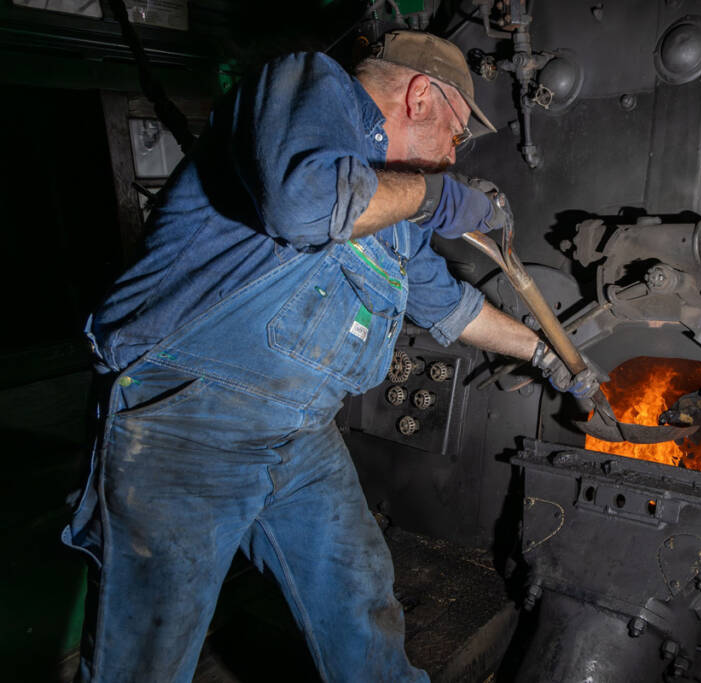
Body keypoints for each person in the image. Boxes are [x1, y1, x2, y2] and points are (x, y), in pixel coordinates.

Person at [61, 30, 601, 682]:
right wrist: (437, 198)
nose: (453, 157)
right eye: (456, 136)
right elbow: (303, 199)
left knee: (360, 598)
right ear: (421, 96)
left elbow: (451, 308)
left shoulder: (391, 211)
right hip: (187, 415)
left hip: (298, 433)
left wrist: (547, 356)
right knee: (147, 653)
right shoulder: (310, 85)